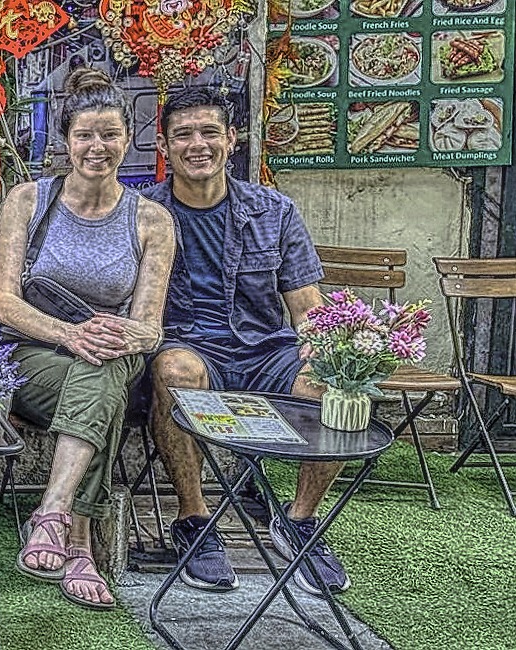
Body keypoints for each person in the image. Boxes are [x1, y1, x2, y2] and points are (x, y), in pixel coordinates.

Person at [141, 86, 345, 597]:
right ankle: (195, 518)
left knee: (333, 381)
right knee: (174, 372)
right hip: (190, 345)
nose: (198, 144)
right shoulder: (144, 212)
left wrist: (326, 347)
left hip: (263, 349)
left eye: (210, 132)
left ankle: (298, 520)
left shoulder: (273, 211)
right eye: (183, 134)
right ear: (164, 147)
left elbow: (306, 306)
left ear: (232, 140)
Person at [0, 68, 175, 610]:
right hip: (30, 354)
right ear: (66, 141)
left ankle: (52, 511)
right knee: (102, 376)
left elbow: (149, 326)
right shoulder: (28, 200)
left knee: (108, 361)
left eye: (110, 134)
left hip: (103, 357)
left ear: (127, 138)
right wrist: (72, 334)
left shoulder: (152, 220)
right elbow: (4, 302)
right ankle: (81, 543)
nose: (98, 147)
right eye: (86, 135)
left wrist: (111, 335)